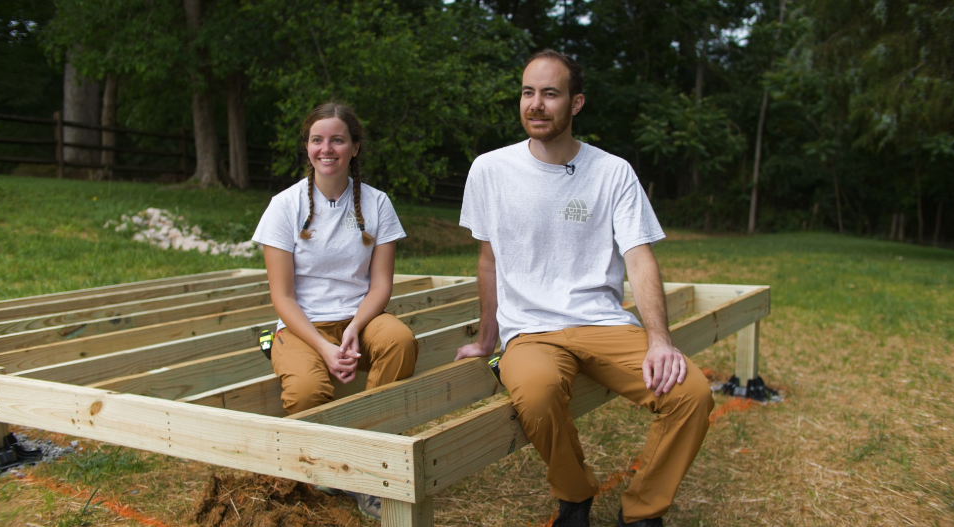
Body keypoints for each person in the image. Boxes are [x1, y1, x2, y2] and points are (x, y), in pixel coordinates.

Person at [455, 50, 714, 527]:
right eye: (528, 92)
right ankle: (575, 496)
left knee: (691, 392)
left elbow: (639, 257)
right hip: (530, 331)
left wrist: (660, 340)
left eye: (550, 94)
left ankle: (642, 511)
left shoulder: (612, 172)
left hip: (602, 323)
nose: (535, 104)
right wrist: (486, 339)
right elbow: (489, 259)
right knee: (536, 393)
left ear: (576, 104)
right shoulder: (489, 170)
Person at [252, 102, 418, 520]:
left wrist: (354, 328)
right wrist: (325, 350)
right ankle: (327, 470)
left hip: (360, 319)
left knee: (400, 340)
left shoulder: (377, 204)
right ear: (307, 147)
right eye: (317, 140)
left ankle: (370, 459)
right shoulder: (284, 206)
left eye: (338, 140)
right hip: (302, 325)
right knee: (307, 392)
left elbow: (381, 285)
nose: (327, 149)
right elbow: (283, 297)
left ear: (355, 147)